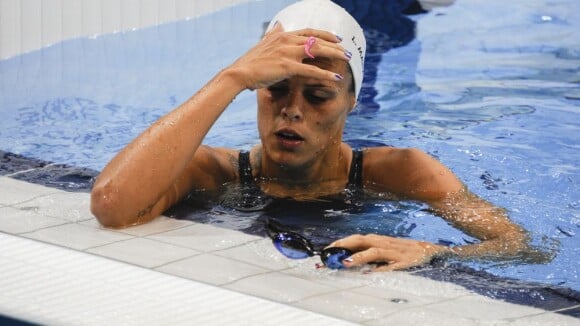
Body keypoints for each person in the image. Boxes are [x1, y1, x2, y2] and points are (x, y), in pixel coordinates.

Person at [91, 0, 529, 272]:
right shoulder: (211, 170)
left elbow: (517, 246)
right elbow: (113, 207)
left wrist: (430, 249)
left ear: (352, 103)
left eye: (319, 95)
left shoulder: (402, 171)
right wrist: (232, 77)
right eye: (275, 89)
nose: (293, 110)